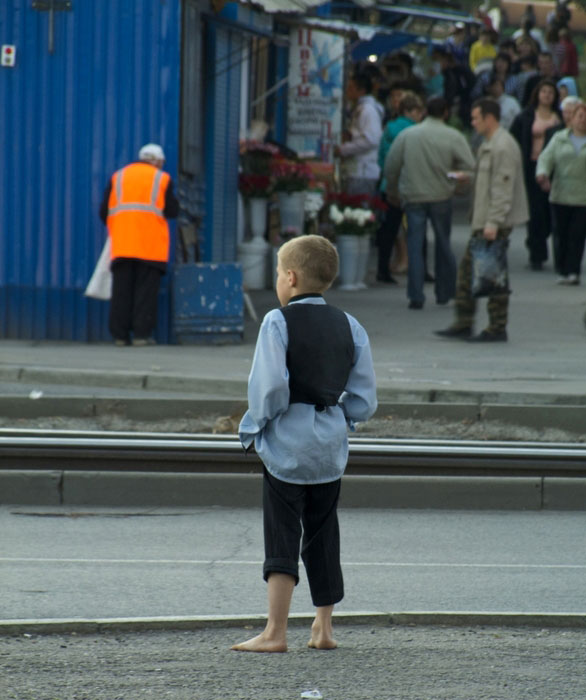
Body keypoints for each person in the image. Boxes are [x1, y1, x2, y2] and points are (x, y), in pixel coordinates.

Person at [231, 235, 377, 653]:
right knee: (323, 532)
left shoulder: (277, 322)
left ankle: (275, 632)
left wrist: (256, 425)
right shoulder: (351, 325)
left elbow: (270, 388)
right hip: (330, 447)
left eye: (279, 272)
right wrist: (336, 415)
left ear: (290, 278)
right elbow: (365, 401)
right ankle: (323, 628)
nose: (278, 279)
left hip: (286, 447)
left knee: (282, 534)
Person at [435, 98, 528, 343]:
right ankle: (464, 322)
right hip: (485, 220)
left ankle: (496, 327)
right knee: (470, 272)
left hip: (492, 222)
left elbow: (502, 187)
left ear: (490, 118)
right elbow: (490, 178)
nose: (472, 122)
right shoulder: (490, 143)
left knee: (492, 274)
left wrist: (493, 223)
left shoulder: (503, 146)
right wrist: (469, 176)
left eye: (476, 118)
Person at [384, 96, 475, 309]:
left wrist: (393, 191)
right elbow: (470, 167)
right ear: (445, 113)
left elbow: (391, 166)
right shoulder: (453, 136)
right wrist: (459, 186)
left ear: (425, 111)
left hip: (413, 196)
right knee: (443, 243)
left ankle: (416, 295)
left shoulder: (408, 135)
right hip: (441, 196)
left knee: (415, 244)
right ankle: (445, 292)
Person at [99, 143, 179, 346]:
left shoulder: (118, 177)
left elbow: (103, 211)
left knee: (121, 292)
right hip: (150, 247)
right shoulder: (162, 179)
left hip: (123, 244)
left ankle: (120, 336)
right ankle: (141, 336)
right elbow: (172, 210)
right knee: (145, 294)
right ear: (158, 161)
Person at [511, 79, 561, 270]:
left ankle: (544, 239)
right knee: (534, 211)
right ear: (537, 94)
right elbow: (513, 137)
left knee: (550, 212)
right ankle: (536, 252)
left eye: (550, 92)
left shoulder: (559, 117)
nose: (547, 95)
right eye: (544, 92)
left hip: (553, 170)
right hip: (531, 167)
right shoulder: (526, 116)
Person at [536, 101, 586, 285]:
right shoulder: (559, 138)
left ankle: (573, 270)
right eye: (580, 116)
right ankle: (562, 269)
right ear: (571, 119)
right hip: (560, 194)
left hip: (582, 197)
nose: (583, 120)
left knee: (577, 234)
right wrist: (542, 174)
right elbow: (546, 158)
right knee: (560, 234)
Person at [376, 93, 424, 283]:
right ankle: (421, 270)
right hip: (413, 185)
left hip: (389, 185)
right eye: (418, 111)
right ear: (409, 111)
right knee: (417, 228)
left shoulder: (389, 128)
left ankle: (383, 269)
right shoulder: (417, 131)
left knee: (389, 230)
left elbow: (381, 158)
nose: (421, 115)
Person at [334, 72, 383, 196]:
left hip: (363, 171)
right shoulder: (360, 108)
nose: (347, 91)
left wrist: (343, 149)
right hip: (356, 170)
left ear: (361, 90)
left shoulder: (368, 110)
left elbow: (371, 140)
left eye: (351, 88)